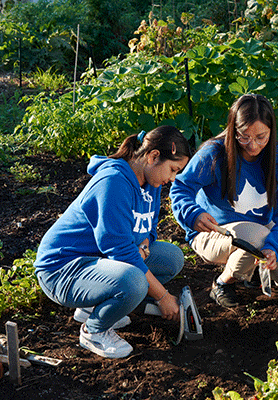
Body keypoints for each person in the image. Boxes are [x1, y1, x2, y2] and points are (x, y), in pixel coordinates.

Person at [33, 126, 191, 359]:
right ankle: (94, 330)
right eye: (173, 169)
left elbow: (149, 227)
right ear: (153, 156)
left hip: (97, 261)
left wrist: (144, 245)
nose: (172, 178)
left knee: (172, 258)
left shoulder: (151, 183)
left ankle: (93, 304)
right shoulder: (113, 182)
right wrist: (163, 297)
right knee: (134, 281)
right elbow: (121, 253)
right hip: (62, 269)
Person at [170, 93, 278, 308]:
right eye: (244, 136)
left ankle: (251, 270)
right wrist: (193, 214)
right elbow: (181, 187)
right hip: (213, 233)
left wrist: (275, 248)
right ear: (233, 129)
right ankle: (222, 284)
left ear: (272, 131)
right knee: (256, 237)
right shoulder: (214, 153)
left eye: (261, 137)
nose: (253, 145)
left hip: (260, 230)